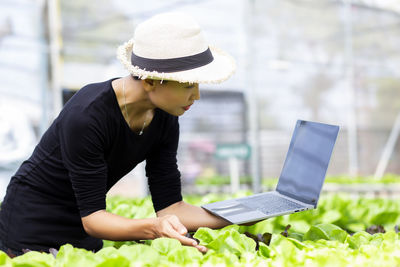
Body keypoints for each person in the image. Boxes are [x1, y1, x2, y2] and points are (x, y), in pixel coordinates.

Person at [0, 12, 236, 256]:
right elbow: (93, 218)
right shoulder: (87, 116)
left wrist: (240, 214)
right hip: (31, 227)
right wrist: (153, 229)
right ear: (150, 81)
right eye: (188, 84)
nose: (196, 95)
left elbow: (171, 208)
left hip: (86, 233)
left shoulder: (165, 116)